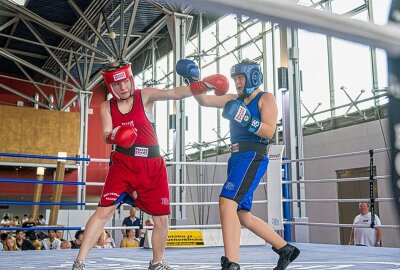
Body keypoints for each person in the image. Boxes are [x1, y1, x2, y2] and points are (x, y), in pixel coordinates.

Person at [71, 60, 228, 270]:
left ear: (130, 79)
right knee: (103, 212)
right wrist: (117, 135)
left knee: (161, 219)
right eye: (117, 85)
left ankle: (157, 262)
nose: (123, 87)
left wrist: (205, 85)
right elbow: (106, 134)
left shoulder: (144, 96)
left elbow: (175, 93)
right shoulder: (106, 106)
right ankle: (79, 262)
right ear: (111, 86)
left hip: (152, 166)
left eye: (125, 81)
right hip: (123, 165)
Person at [177, 59, 300, 270]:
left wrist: (246, 119)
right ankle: (285, 249)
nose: (237, 83)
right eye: (235, 79)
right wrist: (194, 80)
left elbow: (270, 132)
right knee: (242, 214)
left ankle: (232, 264)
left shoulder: (266, 98)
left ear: (253, 76)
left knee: (227, 202)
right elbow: (204, 101)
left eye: (240, 78)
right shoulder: (234, 99)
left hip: (253, 155)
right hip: (236, 158)